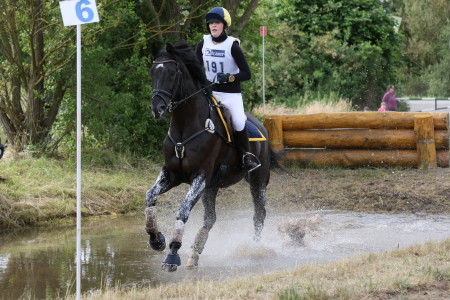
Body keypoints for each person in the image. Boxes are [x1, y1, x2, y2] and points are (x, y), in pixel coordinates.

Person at [196, 6, 260, 172]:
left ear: (224, 25)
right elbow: (195, 68)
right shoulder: (203, 44)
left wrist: (230, 77)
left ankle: (246, 156)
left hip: (231, 94)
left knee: (239, 121)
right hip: (210, 93)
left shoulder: (232, 46)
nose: (213, 26)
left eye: (217, 22)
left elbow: (247, 74)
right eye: (210, 23)